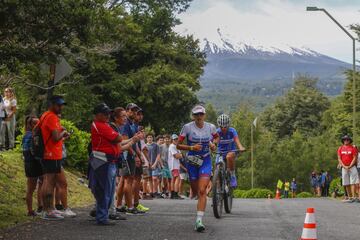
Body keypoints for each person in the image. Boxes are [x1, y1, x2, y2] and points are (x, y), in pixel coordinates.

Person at [177, 105, 219, 232]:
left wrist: (213, 144)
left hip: (205, 160)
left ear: (204, 115)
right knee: (195, 191)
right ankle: (198, 212)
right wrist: (191, 148)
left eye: (201, 114)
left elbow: (216, 137)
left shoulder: (210, 127)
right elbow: (178, 144)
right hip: (192, 161)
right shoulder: (187, 127)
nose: (199, 117)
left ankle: (199, 220)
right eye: (196, 115)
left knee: (202, 190)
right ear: (193, 116)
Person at [39, 96, 74, 220]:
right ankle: (47, 210)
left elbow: (40, 132)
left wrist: (61, 132)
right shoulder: (52, 117)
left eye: (62, 105)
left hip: (50, 153)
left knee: (51, 181)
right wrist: (63, 133)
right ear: (52, 104)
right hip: (51, 154)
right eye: (58, 105)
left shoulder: (44, 115)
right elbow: (55, 138)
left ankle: (49, 208)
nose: (61, 108)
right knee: (49, 181)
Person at [216, 114, 246, 187]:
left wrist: (241, 147)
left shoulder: (232, 131)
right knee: (217, 167)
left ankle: (232, 175)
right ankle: (219, 190)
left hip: (231, 151)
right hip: (220, 152)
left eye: (225, 127)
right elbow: (214, 141)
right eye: (221, 127)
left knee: (229, 156)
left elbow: (237, 140)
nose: (223, 128)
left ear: (228, 125)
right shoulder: (217, 132)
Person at [23, 115, 43, 216]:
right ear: (30, 125)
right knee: (31, 188)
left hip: (29, 163)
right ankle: (31, 210)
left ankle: (38, 207)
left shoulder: (27, 135)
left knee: (35, 186)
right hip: (33, 163)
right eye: (36, 123)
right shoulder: (32, 136)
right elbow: (34, 151)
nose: (38, 125)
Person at [337, 135, 359, 203]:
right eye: (344, 140)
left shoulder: (353, 148)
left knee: (354, 182)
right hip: (344, 167)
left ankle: (354, 197)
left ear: (350, 141)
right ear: (343, 141)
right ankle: (349, 197)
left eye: (347, 140)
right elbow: (339, 158)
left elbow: (355, 158)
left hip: (352, 167)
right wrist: (344, 166)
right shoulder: (340, 148)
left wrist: (350, 166)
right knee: (346, 183)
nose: (346, 141)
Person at [146, 133, 163, 198]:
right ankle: (151, 192)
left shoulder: (156, 145)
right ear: (146, 138)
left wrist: (155, 164)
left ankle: (155, 191)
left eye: (151, 137)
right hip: (148, 164)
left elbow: (158, 155)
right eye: (148, 137)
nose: (149, 138)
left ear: (153, 138)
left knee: (155, 178)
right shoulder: (145, 146)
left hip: (155, 164)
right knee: (149, 178)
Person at [168, 134, 183, 199]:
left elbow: (179, 155)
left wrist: (180, 155)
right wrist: (180, 155)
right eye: (174, 139)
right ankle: (175, 193)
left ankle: (172, 194)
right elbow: (176, 156)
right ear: (172, 140)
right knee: (178, 178)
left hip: (175, 165)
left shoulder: (176, 146)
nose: (176, 140)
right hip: (174, 165)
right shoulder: (172, 146)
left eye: (177, 139)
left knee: (173, 179)